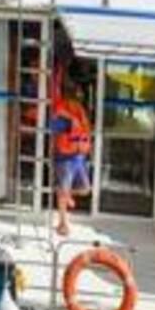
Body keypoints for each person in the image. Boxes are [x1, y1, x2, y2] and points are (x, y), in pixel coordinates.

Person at [52, 77, 95, 238]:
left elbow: (84, 131)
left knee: (85, 189)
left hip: (79, 156)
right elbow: (54, 127)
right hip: (65, 157)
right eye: (76, 92)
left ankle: (66, 192)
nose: (79, 94)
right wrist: (69, 124)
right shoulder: (61, 109)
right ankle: (62, 223)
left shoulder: (79, 109)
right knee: (64, 191)